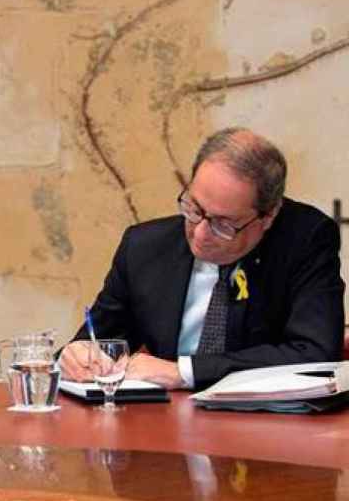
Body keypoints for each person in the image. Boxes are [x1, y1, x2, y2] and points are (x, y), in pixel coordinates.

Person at [60, 127, 344, 389]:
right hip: (161, 424)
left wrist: (183, 372)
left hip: (265, 428)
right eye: (194, 209)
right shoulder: (144, 247)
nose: (200, 234)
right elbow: (100, 338)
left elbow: (314, 352)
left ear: (268, 216)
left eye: (223, 224)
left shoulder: (304, 240)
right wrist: (78, 355)